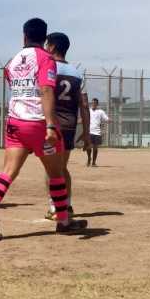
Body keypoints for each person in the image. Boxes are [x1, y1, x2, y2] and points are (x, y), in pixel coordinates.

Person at [0, 18, 87, 241]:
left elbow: (14, 84)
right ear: (44, 39)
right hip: (38, 123)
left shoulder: (12, 60)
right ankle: (64, 221)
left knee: (8, 171)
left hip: (15, 122)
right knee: (56, 174)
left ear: (24, 36)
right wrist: (49, 124)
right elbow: (46, 90)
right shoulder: (46, 58)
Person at [42, 32, 90, 220]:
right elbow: (84, 106)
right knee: (62, 167)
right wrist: (85, 132)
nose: (45, 48)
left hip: (51, 124)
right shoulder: (77, 73)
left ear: (52, 47)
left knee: (50, 169)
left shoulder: (47, 67)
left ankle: (54, 207)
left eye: (47, 44)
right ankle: (67, 205)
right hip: (69, 125)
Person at [87, 98, 109, 167]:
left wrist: (109, 120)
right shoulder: (88, 111)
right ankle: (89, 158)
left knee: (95, 148)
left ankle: (93, 162)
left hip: (97, 132)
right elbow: (84, 118)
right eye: (92, 103)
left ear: (97, 104)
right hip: (89, 131)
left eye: (95, 103)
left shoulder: (100, 112)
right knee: (88, 147)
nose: (93, 104)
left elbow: (106, 118)